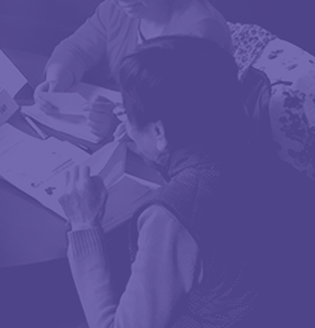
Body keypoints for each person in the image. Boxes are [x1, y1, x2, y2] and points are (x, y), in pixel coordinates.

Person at [58, 36, 266, 328]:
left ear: (159, 131)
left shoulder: (170, 216)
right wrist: (154, 149)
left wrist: (84, 225)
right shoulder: (253, 143)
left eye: (128, 115)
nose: (127, 125)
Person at [36, 0, 232, 138]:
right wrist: (56, 82)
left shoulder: (198, 33)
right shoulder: (115, 8)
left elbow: (188, 121)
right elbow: (77, 49)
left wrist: (121, 127)